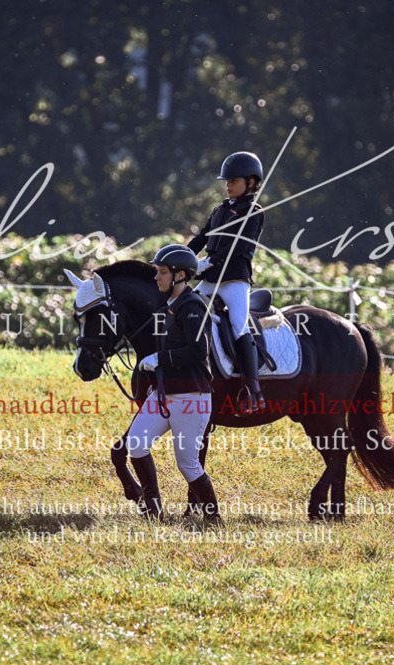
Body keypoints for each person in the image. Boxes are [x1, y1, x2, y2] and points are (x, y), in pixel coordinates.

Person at [129, 244, 222, 523]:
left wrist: (160, 358)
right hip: (164, 395)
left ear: (180, 275)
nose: (157, 277)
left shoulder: (193, 306)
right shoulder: (167, 306)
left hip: (191, 397)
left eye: (162, 272)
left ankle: (213, 518)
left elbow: (197, 351)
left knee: (188, 465)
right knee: (135, 443)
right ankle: (153, 512)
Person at [187, 151, 266, 414]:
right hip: (210, 278)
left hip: (234, 279)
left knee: (238, 325)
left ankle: (253, 390)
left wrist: (207, 263)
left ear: (251, 183)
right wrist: (183, 258)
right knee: (185, 309)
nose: (228, 185)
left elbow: (236, 247)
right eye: (227, 180)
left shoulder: (254, 213)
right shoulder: (220, 210)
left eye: (234, 180)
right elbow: (201, 239)